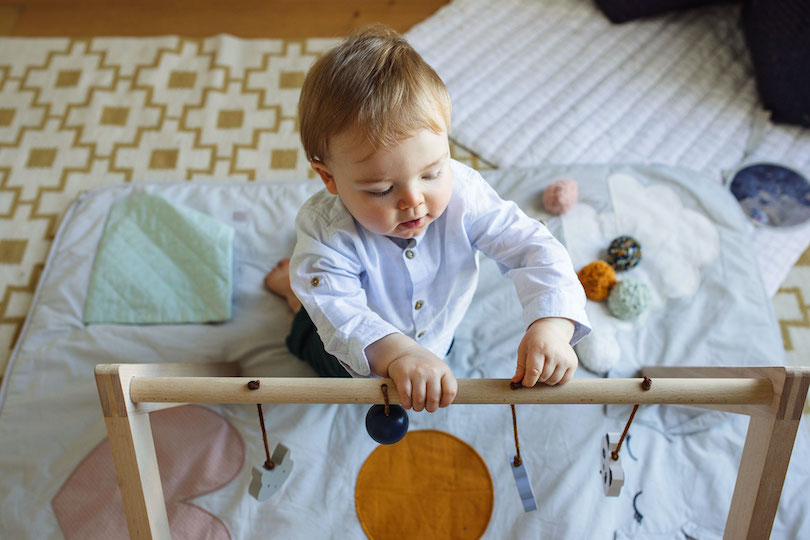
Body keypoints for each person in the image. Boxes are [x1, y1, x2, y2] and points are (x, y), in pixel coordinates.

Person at [266, 24, 590, 414]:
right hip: (351, 350)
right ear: (328, 177)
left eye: (433, 172)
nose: (414, 202)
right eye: (382, 190)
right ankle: (293, 291)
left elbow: (532, 247)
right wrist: (399, 353)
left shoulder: (465, 194)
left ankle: (304, 280)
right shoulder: (324, 230)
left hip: (437, 332)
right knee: (310, 324)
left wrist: (553, 324)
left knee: (432, 351)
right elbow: (338, 311)